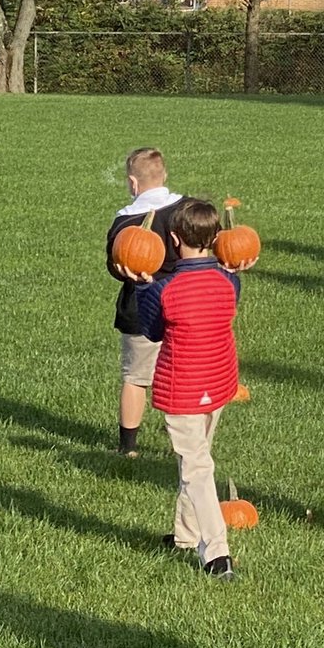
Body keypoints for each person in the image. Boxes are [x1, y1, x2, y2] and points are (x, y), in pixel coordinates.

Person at [137, 199, 241, 579]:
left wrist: (141, 288)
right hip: (218, 382)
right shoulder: (229, 282)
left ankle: (216, 552)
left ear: (174, 238)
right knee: (196, 459)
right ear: (215, 239)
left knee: (196, 467)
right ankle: (185, 535)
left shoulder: (164, 289)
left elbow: (151, 331)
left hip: (183, 388)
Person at [105, 148, 188, 457]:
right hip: (182, 303)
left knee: (136, 377)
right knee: (180, 375)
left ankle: (128, 447)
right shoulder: (186, 210)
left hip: (139, 308)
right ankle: (184, 441)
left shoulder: (125, 220)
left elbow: (115, 265)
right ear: (164, 175)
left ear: (132, 183)